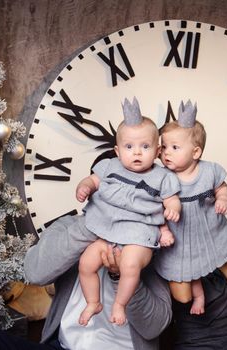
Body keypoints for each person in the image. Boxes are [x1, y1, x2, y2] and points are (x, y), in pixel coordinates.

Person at [0, 214, 172, 350]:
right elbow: (35, 273)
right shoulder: (72, 228)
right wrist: (92, 228)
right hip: (63, 349)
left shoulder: (152, 242)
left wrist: (121, 275)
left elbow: (154, 326)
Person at [75, 97, 181, 326]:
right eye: (129, 147)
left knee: (130, 265)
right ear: (117, 150)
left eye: (145, 146)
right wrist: (85, 186)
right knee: (86, 263)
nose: (137, 153)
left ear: (158, 151)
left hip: (138, 236)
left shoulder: (163, 176)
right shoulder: (109, 166)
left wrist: (172, 208)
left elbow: (171, 198)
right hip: (109, 233)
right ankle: (93, 302)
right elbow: (92, 180)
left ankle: (119, 304)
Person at [155, 100, 227, 314]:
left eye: (175, 147)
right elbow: (154, 208)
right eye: (164, 147)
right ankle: (199, 298)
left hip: (211, 226)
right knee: (191, 271)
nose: (166, 153)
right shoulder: (162, 176)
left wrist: (223, 200)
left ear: (196, 152)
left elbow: (222, 188)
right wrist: (163, 228)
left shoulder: (209, 171)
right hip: (181, 237)